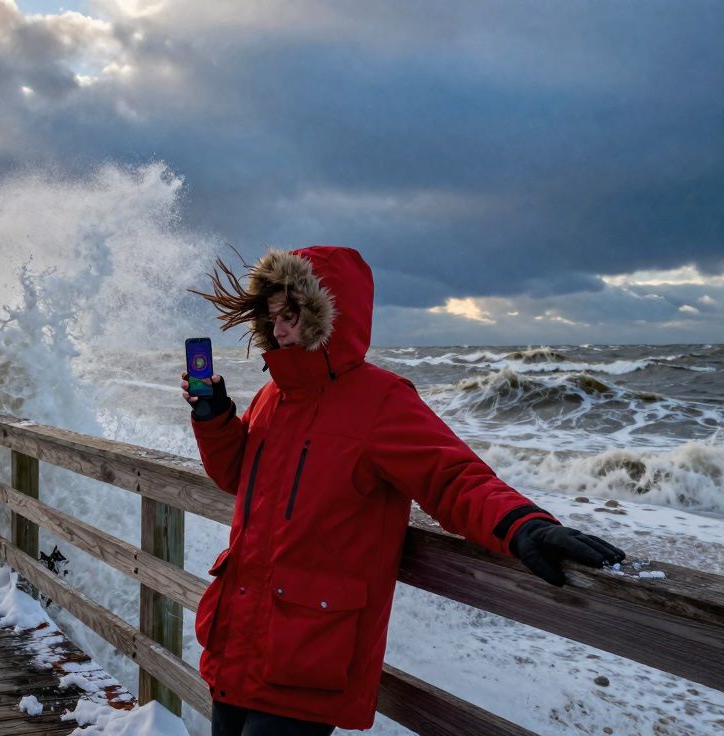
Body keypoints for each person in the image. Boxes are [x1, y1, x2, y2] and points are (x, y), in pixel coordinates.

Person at [180, 245, 625, 735]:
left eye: (292, 316)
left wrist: (521, 524)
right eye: (273, 318)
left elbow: (452, 477)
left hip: (304, 652)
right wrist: (214, 417)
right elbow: (237, 477)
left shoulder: (381, 400)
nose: (280, 329)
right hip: (238, 639)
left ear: (328, 315)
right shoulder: (272, 396)